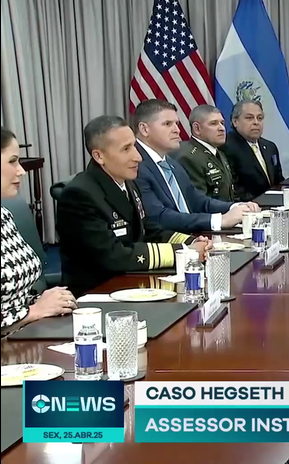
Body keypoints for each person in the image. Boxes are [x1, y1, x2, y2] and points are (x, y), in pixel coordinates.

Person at [56, 116, 210, 296]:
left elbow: (149, 231)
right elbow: (114, 256)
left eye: (134, 146)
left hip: (131, 284)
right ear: (99, 156)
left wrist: (191, 242)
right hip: (97, 294)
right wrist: (184, 252)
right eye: (126, 149)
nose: (138, 157)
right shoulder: (79, 195)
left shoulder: (128, 182)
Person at [132, 99, 256, 233]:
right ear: (144, 129)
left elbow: (196, 200)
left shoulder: (171, 163)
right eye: (167, 124)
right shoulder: (135, 165)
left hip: (191, 236)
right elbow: (158, 217)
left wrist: (235, 207)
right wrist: (219, 220)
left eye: (176, 124)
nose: (177, 130)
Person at [1, 127, 77, 335]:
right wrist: (34, 311)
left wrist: (49, 300)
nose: (21, 171)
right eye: (12, 161)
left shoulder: (4, 215)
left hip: (25, 337)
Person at [221, 100, 285, 201]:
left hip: (276, 204)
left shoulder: (270, 146)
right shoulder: (226, 147)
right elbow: (234, 189)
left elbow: (279, 180)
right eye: (249, 118)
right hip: (250, 206)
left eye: (259, 118)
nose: (256, 122)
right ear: (235, 121)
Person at [174, 105, 237, 202]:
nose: (222, 128)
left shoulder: (219, 153)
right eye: (213, 123)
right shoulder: (189, 157)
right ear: (197, 128)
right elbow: (199, 202)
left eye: (222, 123)